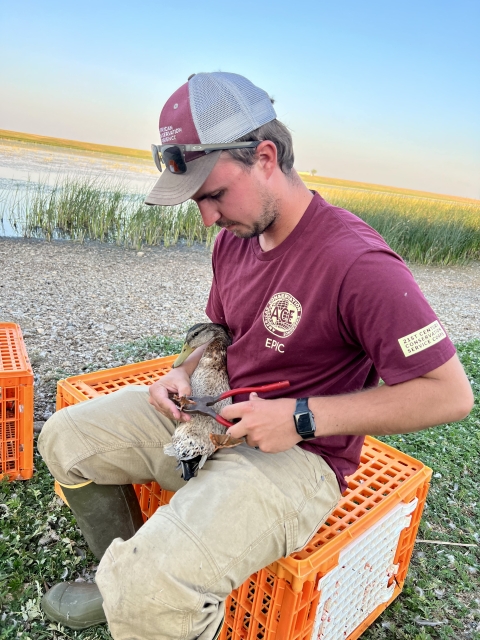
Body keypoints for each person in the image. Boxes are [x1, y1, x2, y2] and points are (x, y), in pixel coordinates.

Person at [38, 72, 474, 640]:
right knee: (64, 439)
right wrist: (185, 369)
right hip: (212, 415)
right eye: (198, 201)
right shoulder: (234, 238)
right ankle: (110, 580)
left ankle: (141, 595)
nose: (208, 219)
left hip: (299, 458)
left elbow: (449, 394)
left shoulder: (358, 263)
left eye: (215, 195)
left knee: (150, 590)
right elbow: (218, 328)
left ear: (265, 156)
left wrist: (300, 416)